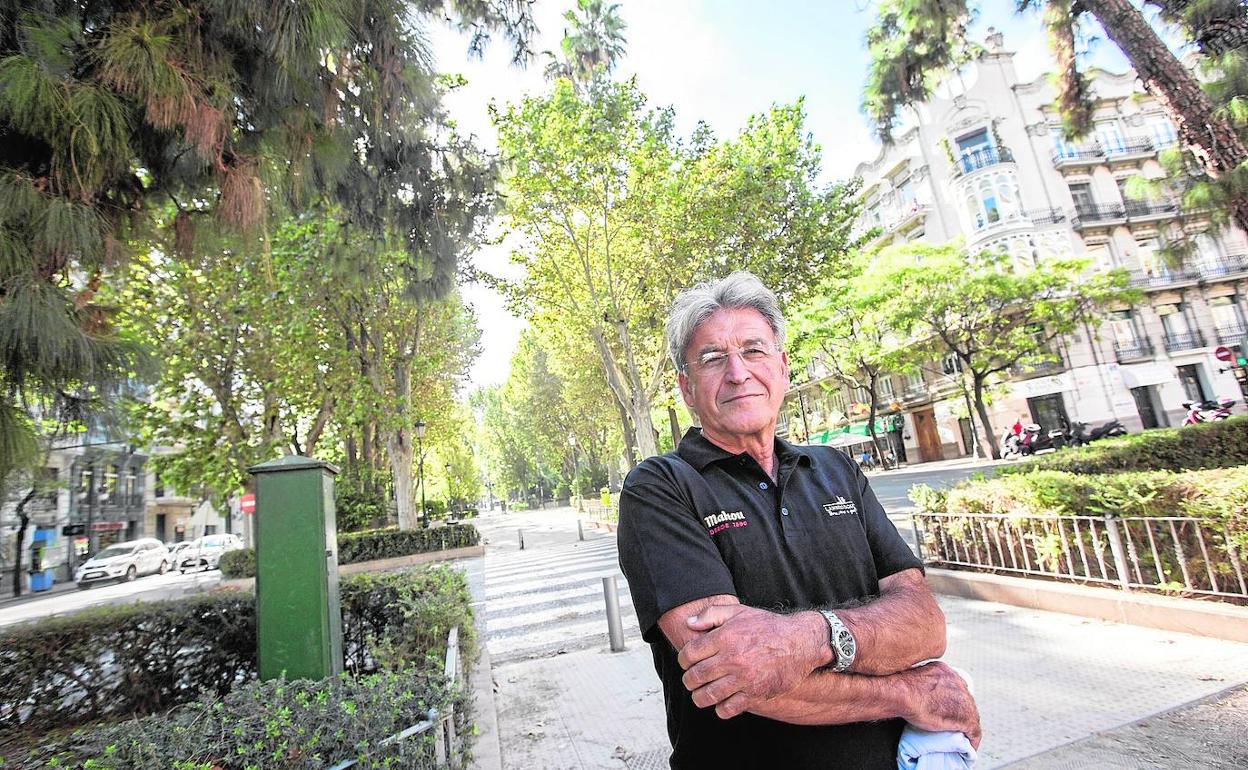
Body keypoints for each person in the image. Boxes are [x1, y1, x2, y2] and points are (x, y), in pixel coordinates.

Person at [617, 272, 980, 770]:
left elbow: (924, 624)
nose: (738, 372)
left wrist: (808, 638)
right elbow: (733, 672)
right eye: (712, 358)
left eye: (754, 350)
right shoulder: (660, 487)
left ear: (783, 368)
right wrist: (907, 691)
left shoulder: (837, 469)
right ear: (686, 388)